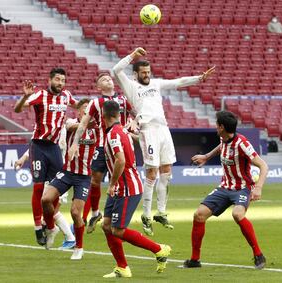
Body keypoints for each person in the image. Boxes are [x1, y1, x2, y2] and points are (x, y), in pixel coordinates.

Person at [112, 47, 215, 236]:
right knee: (151, 173)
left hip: (163, 128)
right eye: (143, 73)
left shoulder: (156, 84)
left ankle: (161, 212)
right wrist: (132, 56)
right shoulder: (131, 86)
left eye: (148, 72)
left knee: (166, 171)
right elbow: (115, 70)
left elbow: (178, 82)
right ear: (135, 75)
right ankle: (146, 214)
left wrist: (199, 79)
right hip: (148, 129)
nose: (146, 75)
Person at [183, 111, 268, 269]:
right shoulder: (224, 138)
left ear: (222, 127)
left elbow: (263, 165)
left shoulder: (242, 143)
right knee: (199, 215)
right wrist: (206, 156)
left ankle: (258, 255)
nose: (215, 127)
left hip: (242, 188)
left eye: (217, 125)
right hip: (224, 187)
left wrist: (258, 188)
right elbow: (221, 146)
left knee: (237, 214)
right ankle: (195, 260)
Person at [101, 100, 171, 278]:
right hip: (122, 186)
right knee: (107, 225)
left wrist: (112, 184)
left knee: (118, 230)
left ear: (104, 115)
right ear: (117, 114)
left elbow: (120, 160)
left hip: (127, 187)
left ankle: (159, 249)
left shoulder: (114, 134)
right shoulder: (121, 130)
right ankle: (122, 267)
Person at [14, 67, 78, 246]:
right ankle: (37, 228)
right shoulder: (40, 95)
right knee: (38, 188)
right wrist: (25, 96)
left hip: (55, 148)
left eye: (63, 80)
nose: (60, 83)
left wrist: (97, 107)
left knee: (55, 190)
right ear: (49, 80)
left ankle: (50, 226)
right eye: (57, 79)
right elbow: (18, 109)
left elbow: (80, 105)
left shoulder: (66, 96)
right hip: (39, 146)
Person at [68, 73, 135, 234]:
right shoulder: (95, 103)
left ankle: (120, 214)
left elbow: (138, 112)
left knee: (124, 180)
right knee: (94, 181)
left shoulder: (124, 100)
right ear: (98, 87)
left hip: (122, 144)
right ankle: (96, 212)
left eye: (109, 78)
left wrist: (134, 120)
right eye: (104, 79)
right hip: (102, 146)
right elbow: (83, 124)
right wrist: (75, 143)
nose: (108, 80)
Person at [41, 98, 97, 259]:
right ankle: (52, 228)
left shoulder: (97, 129)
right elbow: (70, 126)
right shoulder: (71, 123)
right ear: (78, 111)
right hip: (67, 172)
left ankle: (78, 247)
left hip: (84, 177)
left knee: (75, 212)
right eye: (84, 109)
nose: (87, 112)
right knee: (45, 199)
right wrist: (85, 124)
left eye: (90, 109)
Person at [14, 149, 76, 249]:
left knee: (53, 211)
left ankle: (70, 238)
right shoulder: (46, 139)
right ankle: (66, 236)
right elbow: (38, 146)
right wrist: (23, 158)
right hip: (50, 178)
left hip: (61, 177)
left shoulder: (62, 136)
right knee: (51, 211)